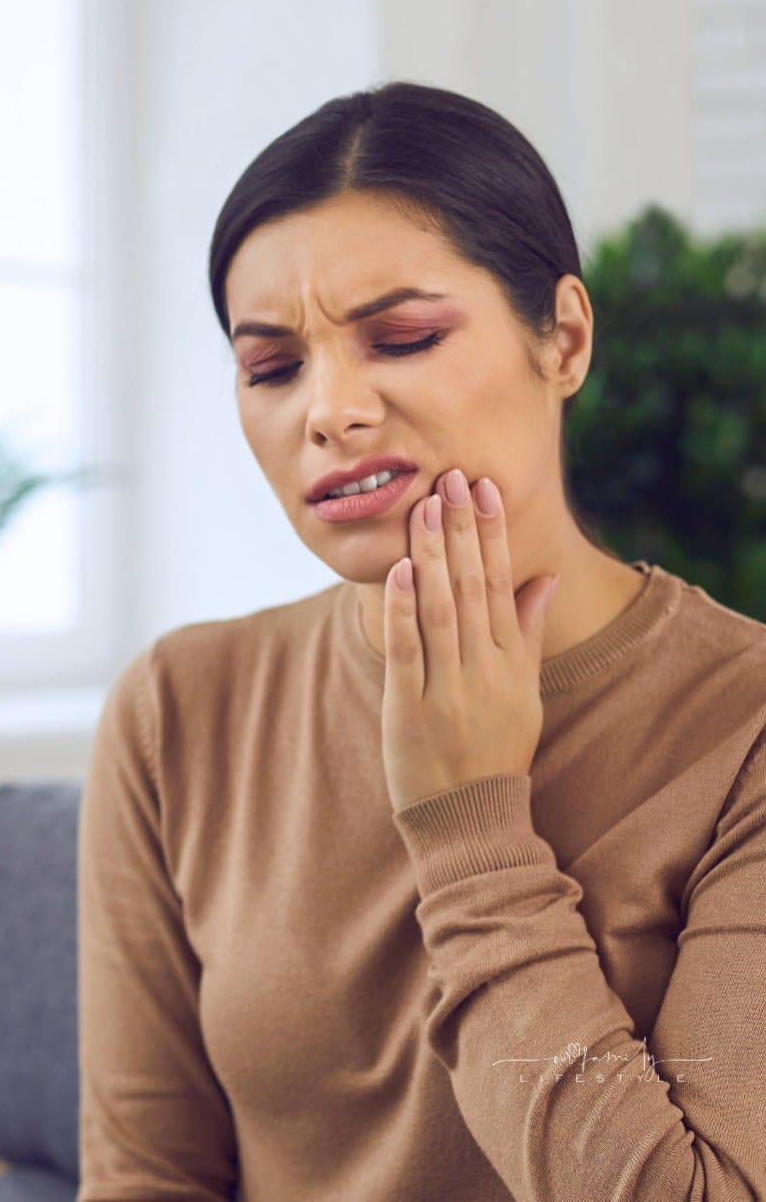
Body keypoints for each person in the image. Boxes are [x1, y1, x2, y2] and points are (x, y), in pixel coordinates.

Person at [77, 81, 766, 1201]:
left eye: (401, 337)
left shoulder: (741, 730)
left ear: (567, 340)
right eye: (271, 367)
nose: (328, 411)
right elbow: (144, 1179)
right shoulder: (178, 709)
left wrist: (471, 833)